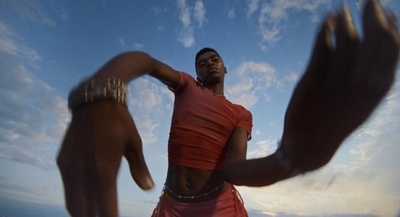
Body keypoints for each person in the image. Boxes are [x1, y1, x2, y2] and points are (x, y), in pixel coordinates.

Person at [57, 0, 399, 216]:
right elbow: (145, 62)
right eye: (202, 62)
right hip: (171, 206)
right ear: (195, 72)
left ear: (225, 68)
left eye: (214, 59)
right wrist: (104, 91)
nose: (209, 63)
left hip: (219, 210)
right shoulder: (185, 87)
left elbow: (233, 169)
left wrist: (289, 161)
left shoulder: (240, 113)